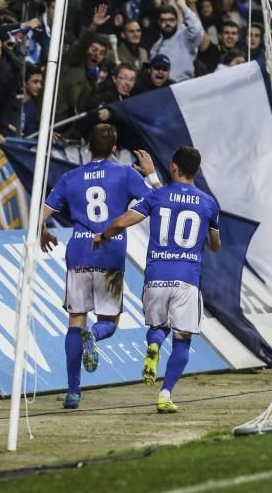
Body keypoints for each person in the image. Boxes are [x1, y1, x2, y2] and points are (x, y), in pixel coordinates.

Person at [40, 123, 161, 409]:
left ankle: (73, 392)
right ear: (115, 149)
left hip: (79, 251)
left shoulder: (70, 177)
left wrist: (42, 231)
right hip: (109, 250)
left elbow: (41, 213)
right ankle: (93, 336)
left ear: (86, 146)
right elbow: (155, 201)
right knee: (109, 322)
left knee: (75, 319)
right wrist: (150, 178)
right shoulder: (125, 173)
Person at [92, 146, 221, 414]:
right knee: (183, 338)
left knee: (157, 325)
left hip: (156, 277)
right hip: (187, 279)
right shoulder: (209, 203)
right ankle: (165, 394)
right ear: (196, 169)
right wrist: (207, 235)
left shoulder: (156, 196)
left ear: (173, 166)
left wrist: (103, 236)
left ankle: (153, 345)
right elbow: (215, 245)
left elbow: (122, 221)